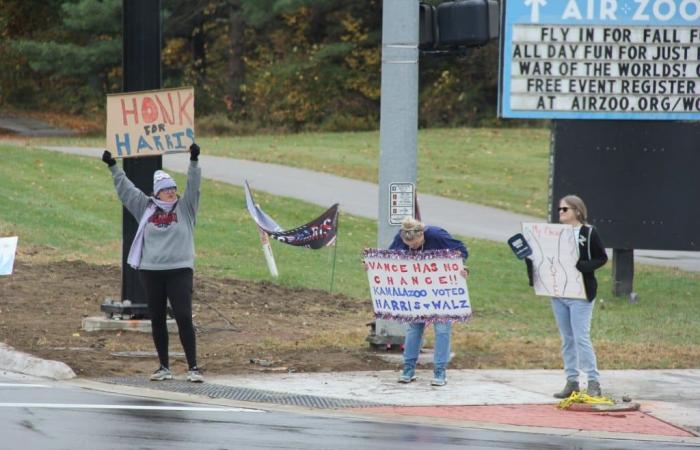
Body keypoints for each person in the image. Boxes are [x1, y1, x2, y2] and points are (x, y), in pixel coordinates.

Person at [101, 144, 203, 383]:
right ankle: (164, 367)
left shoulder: (185, 207)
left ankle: (194, 368)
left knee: (183, 316)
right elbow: (126, 190)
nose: (171, 192)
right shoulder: (144, 206)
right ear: (156, 193)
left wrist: (194, 161)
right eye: (166, 190)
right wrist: (113, 166)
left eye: (173, 188)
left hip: (180, 270)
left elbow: (194, 186)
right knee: (157, 318)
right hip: (151, 271)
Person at [527, 195, 608, 398]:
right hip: (558, 292)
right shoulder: (554, 234)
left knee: (581, 337)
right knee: (567, 339)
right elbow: (544, 258)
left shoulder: (588, 233)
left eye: (565, 209)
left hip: (580, 295)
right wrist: (529, 259)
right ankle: (572, 381)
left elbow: (601, 257)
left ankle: (593, 381)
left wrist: (585, 266)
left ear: (577, 211)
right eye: (559, 210)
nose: (561, 213)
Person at [389, 217, 469, 387]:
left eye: (416, 244)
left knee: (442, 329)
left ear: (422, 235)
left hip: (442, 291)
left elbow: (461, 251)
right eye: (408, 245)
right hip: (416, 291)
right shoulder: (400, 238)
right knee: (413, 328)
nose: (412, 248)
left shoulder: (437, 235)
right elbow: (388, 259)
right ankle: (408, 368)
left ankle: (440, 370)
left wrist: (461, 267)